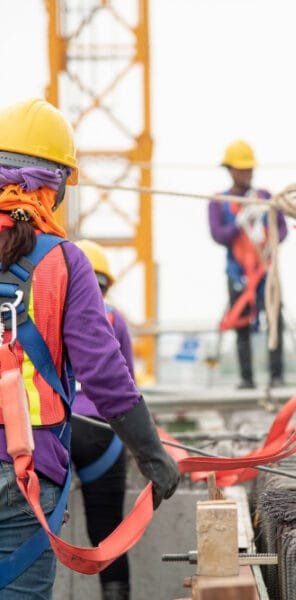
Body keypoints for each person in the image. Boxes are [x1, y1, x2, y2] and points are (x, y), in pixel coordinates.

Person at [0, 98, 179, 599]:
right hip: (27, 472)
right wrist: (151, 454)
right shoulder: (62, 262)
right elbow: (104, 372)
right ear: (53, 187)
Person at [71, 240, 134, 600]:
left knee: (33, 531)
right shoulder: (114, 318)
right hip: (103, 436)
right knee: (109, 535)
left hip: (54, 430)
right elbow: (127, 391)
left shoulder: (46, 311)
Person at [208, 140, 288, 389]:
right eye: (241, 169)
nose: (246, 174)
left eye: (249, 169)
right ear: (230, 170)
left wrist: (270, 242)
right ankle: (247, 378)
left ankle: (276, 376)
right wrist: (239, 223)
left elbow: (283, 229)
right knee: (241, 325)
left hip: (265, 271)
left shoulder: (265, 198)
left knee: (274, 320)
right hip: (238, 273)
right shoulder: (219, 201)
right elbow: (218, 235)